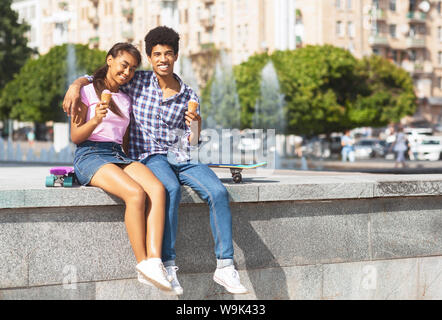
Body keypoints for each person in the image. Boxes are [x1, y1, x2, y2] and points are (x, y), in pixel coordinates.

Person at [63, 27, 248, 295]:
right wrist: (76, 83)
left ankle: (225, 266)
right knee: (166, 189)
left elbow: (193, 141)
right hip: (146, 156)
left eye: (169, 54)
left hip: (177, 156)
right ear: (151, 58)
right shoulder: (138, 82)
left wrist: (196, 125)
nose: (163, 59)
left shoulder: (188, 95)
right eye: (157, 54)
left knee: (218, 191)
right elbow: (106, 77)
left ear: (176, 57)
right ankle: (166, 265)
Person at [69, 42, 172, 292]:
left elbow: (123, 139)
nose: (127, 73)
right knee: (135, 194)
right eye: (124, 65)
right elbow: (76, 137)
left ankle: (155, 260)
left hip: (117, 155)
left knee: (157, 190)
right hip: (90, 153)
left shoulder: (125, 98)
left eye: (133, 69)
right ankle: (143, 263)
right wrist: (96, 119)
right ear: (110, 60)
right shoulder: (85, 92)